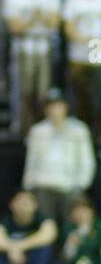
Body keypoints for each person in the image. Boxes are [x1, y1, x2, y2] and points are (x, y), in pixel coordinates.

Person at [3, 0, 62, 133]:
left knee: (43, 92)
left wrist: (29, 20)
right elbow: (14, 27)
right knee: (25, 92)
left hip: (44, 46)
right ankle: (25, 130)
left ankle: (43, 128)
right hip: (23, 47)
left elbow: (53, 23)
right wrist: (34, 18)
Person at [22, 89, 96, 231]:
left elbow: (87, 161)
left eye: (57, 105)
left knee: (71, 228)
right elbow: (31, 162)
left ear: (65, 107)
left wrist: (81, 185)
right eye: (50, 106)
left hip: (70, 187)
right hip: (43, 187)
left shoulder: (79, 130)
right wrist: (29, 186)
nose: (54, 110)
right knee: (45, 227)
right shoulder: (38, 131)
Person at [62, 0, 101, 136]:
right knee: (80, 100)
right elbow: (68, 28)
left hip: (98, 56)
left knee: (97, 101)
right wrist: (88, 39)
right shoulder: (72, 0)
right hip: (78, 57)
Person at [55, 196, 101, 264]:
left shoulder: (98, 227)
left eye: (83, 211)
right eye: (76, 212)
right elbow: (64, 257)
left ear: (91, 212)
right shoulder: (67, 229)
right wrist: (70, 245)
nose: (80, 215)